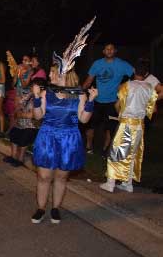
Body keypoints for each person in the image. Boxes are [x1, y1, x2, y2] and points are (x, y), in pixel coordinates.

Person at [31, 19, 97, 224]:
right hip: (47, 136)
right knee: (43, 176)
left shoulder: (78, 95)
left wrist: (91, 102)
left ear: (63, 74)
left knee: (61, 177)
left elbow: (83, 119)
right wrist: (35, 97)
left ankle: (56, 208)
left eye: (52, 72)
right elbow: (37, 116)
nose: (49, 74)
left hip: (69, 138)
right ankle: (41, 208)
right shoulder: (45, 92)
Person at [100, 61, 158, 193]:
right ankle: (128, 183)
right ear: (146, 73)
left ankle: (110, 183)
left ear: (134, 72)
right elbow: (153, 110)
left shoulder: (126, 86)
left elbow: (117, 105)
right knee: (132, 153)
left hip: (126, 123)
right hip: (139, 125)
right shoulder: (150, 88)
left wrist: (121, 113)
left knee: (117, 152)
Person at [82, 43, 134, 155]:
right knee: (90, 125)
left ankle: (106, 150)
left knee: (110, 128)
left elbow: (136, 75)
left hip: (113, 102)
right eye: (107, 49)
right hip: (96, 100)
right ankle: (88, 146)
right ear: (103, 51)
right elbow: (89, 80)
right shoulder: (97, 64)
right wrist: (80, 92)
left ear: (115, 51)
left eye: (111, 49)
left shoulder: (122, 64)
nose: (109, 51)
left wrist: (125, 85)